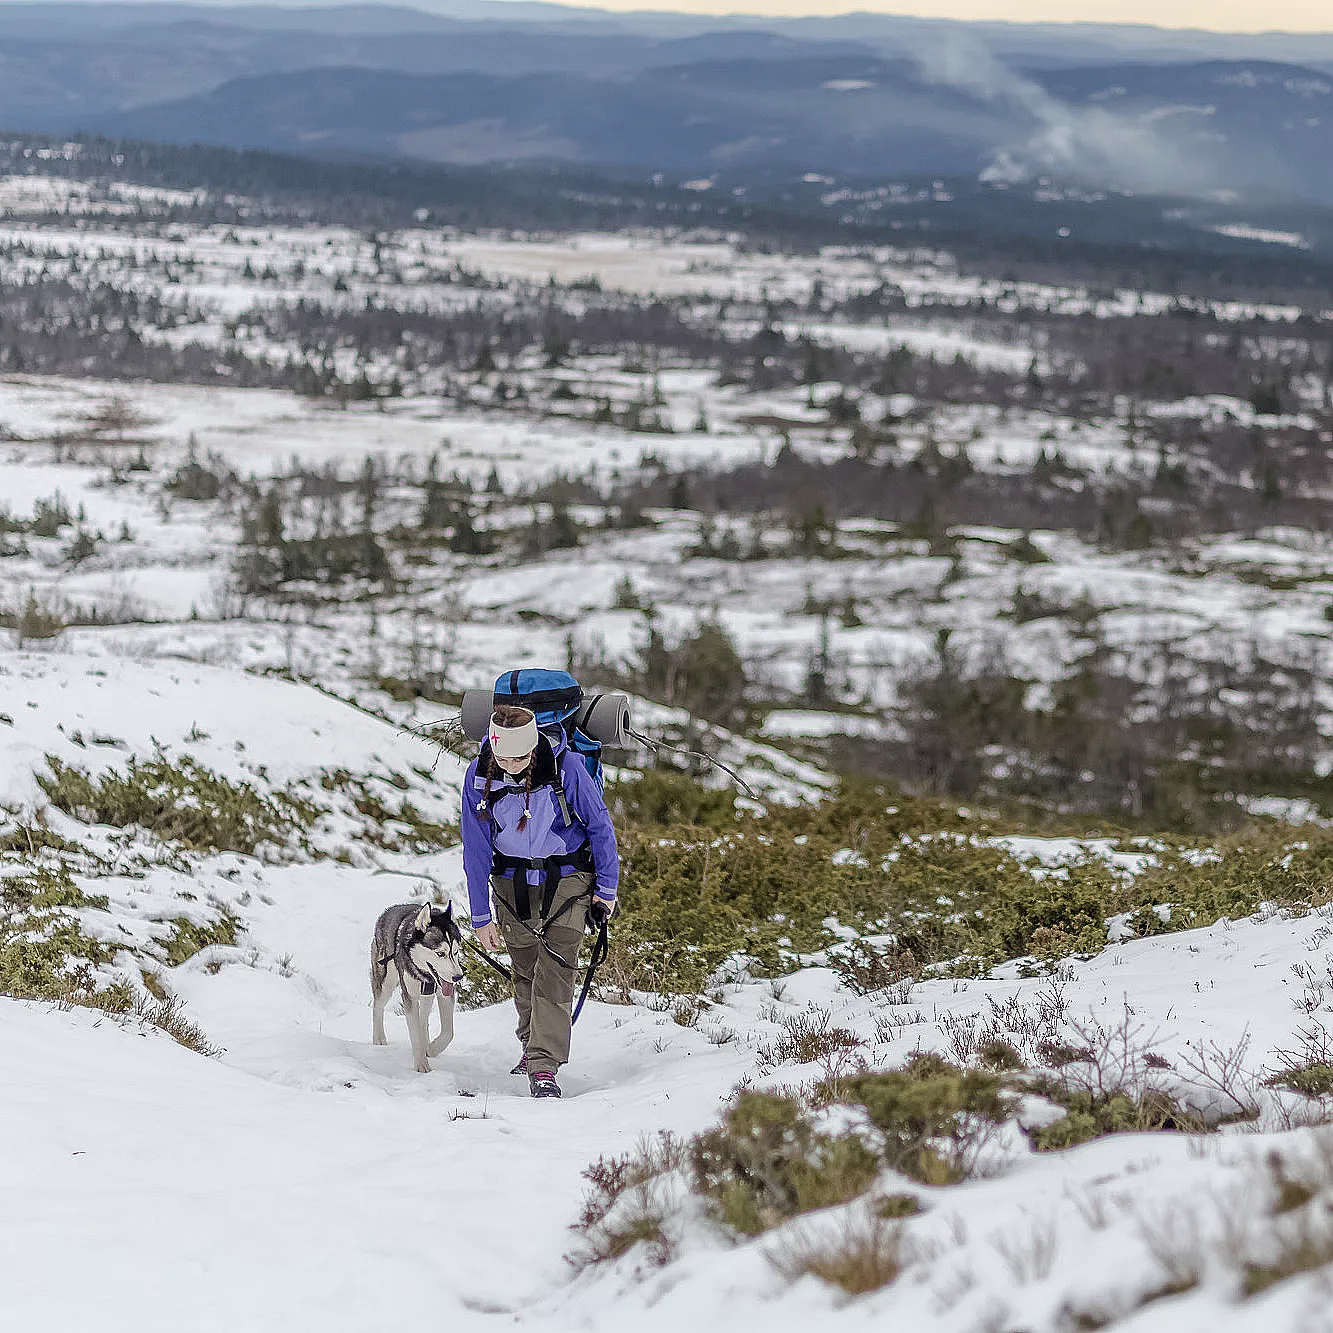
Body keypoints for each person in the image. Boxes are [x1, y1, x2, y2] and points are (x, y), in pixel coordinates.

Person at [462, 703, 619, 1098]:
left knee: (556, 967)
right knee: (526, 968)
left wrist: (606, 890)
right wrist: (481, 917)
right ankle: (531, 1045)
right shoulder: (479, 775)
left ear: (533, 748)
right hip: (510, 880)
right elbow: (476, 849)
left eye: (518, 757)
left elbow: (600, 827)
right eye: (502, 756)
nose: (510, 765)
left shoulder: (567, 769)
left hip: (569, 877)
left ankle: (543, 1064)